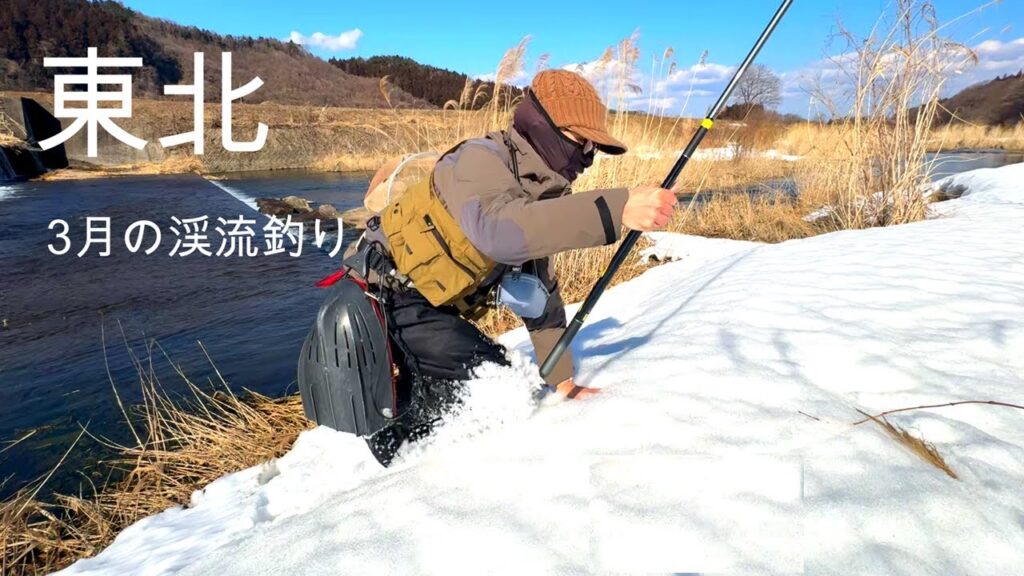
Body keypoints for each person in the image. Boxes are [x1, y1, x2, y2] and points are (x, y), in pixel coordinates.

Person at [346, 69, 677, 464]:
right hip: (384, 298)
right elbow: (499, 231)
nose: (587, 156)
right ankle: (398, 471)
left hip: (429, 307)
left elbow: (541, 297)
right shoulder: (480, 160)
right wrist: (617, 207)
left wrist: (562, 380)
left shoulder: (537, 193)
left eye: (594, 146)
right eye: (580, 140)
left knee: (487, 385)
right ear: (541, 126)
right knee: (495, 385)